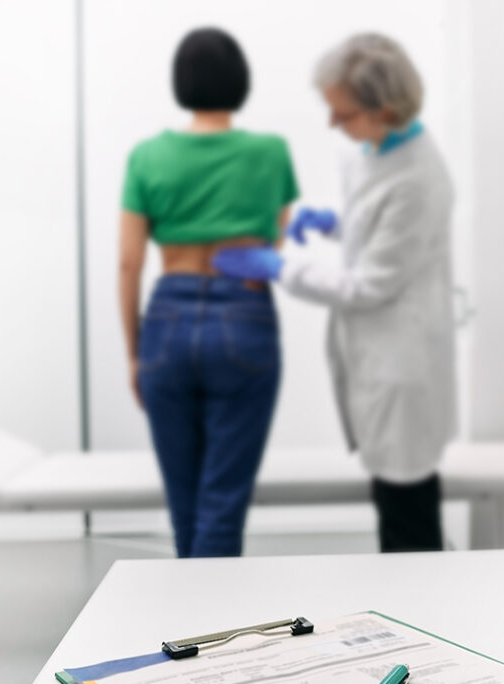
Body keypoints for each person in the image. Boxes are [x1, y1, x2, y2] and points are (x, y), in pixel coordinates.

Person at [213, 33, 457, 552]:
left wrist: (281, 267)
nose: (331, 124)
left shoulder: (420, 178)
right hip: (377, 354)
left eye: (342, 114)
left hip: (402, 366)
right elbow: (375, 226)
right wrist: (334, 223)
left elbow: (369, 284)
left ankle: (420, 600)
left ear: (385, 108)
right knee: (393, 501)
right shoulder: (374, 148)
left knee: (407, 516)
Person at [119, 27, 299, 557]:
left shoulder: (147, 156)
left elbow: (129, 263)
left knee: (185, 507)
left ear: (181, 82)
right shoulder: (270, 152)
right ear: (240, 81)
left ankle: (190, 607)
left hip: (167, 321)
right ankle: (213, 610)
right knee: (223, 505)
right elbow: (279, 244)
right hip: (244, 318)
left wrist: (134, 353)